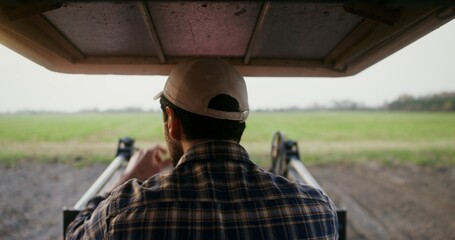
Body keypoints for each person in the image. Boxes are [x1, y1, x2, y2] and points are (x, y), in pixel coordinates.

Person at [66, 57, 339, 239]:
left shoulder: (123, 212)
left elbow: (74, 233)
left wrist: (126, 177)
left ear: (172, 121)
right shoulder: (316, 209)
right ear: (240, 123)